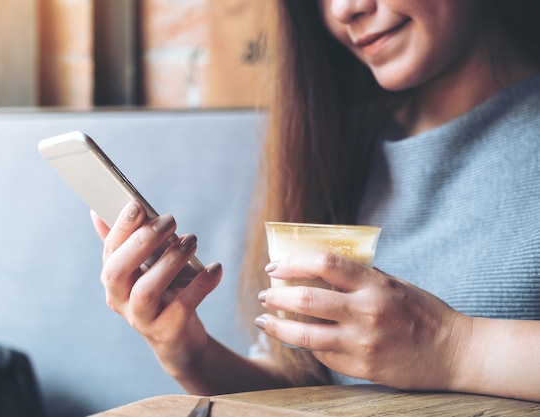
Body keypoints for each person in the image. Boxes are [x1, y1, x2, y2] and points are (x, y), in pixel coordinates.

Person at [90, 0, 540, 402]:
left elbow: (437, 351)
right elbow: (310, 391)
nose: (345, 9)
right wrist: (187, 353)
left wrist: (449, 345)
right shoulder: (341, 149)